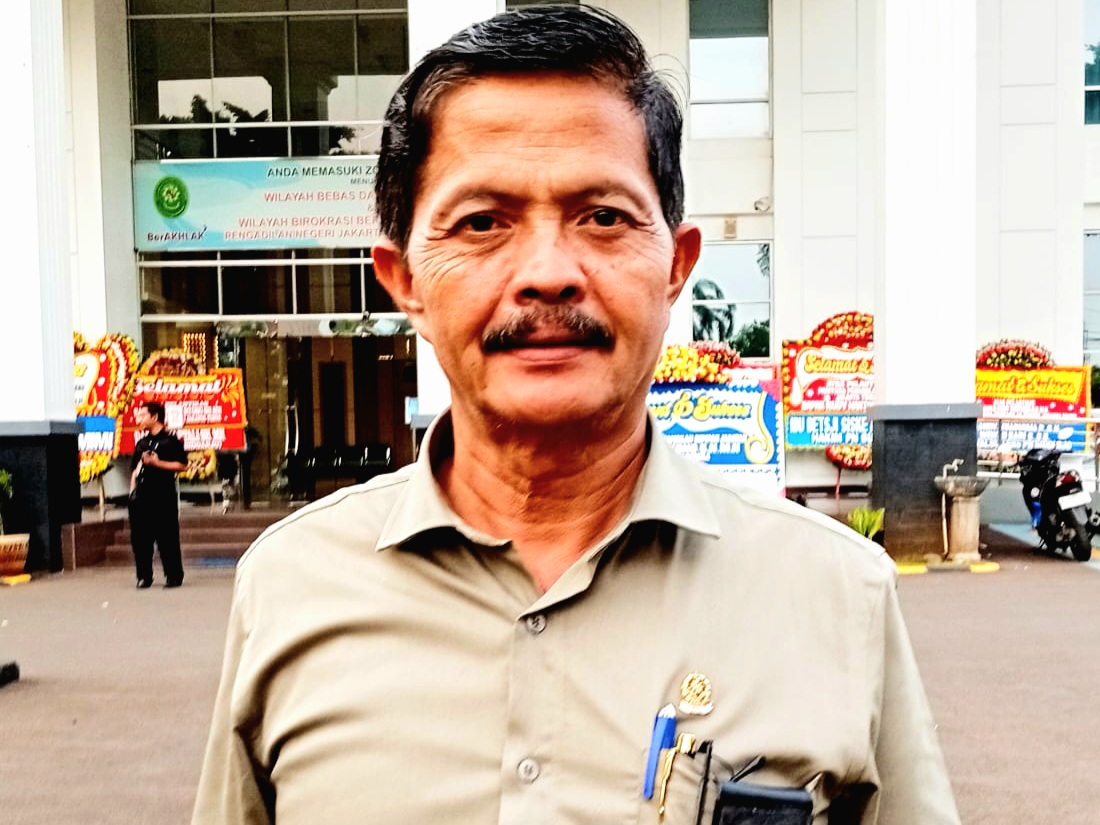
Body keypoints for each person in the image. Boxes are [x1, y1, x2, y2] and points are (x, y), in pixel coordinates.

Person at [193, 7, 960, 824]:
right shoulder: (291, 586)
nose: (548, 273)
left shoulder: (836, 593)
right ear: (404, 280)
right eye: (482, 222)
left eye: (603, 217)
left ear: (677, 266)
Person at [128, 401, 187, 589]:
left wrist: (157, 463)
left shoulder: (170, 441)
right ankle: (144, 576)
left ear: (154, 417)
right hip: (141, 496)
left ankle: (173, 575)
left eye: (143, 415)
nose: (139, 418)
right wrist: (132, 491)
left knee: (167, 537)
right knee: (140, 539)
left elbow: (182, 465)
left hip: (163, 495)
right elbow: (135, 469)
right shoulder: (142, 443)